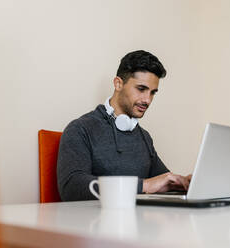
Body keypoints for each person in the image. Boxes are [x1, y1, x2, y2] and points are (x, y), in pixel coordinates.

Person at [57, 50, 191, 201]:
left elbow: (163, 180)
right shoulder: (80, 129)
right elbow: (71, 187)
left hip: (139, 221)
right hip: (96, 222)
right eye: (141, 89)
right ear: (118, 84)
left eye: (153, 92)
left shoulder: (143, 137)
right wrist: (143, 186)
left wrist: (185, 183)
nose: (147, 100)